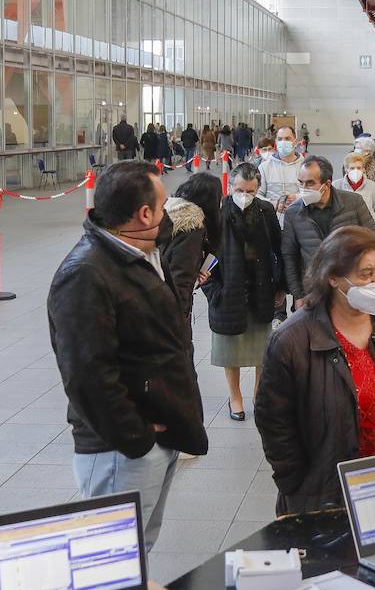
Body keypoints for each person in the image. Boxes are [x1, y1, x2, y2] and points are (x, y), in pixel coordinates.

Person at [47, 160, 207, 551]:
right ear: (144, 214)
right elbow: (87, 375)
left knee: (141, 546)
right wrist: (135, 438)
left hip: (160, 432)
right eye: (164, 205)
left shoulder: (141, 250)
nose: (170, 213)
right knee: (112, 558)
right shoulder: (86, 274)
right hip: (121, 450)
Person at [255, 226, 375, 514]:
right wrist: (297, 482)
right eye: (365, 274)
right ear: (333, 277)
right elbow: (274, 421)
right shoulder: (292, 341)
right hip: (329, 496)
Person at [202, 164, 283, 421]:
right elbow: (203, 256)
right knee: (230, 349)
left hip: (260, 287)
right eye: (239, 189)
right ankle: (234, 396)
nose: (244, 195)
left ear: (258, 189)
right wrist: (213, 290)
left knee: (261, 349)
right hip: (227, 288)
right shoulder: (217, 213)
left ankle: (259, 394)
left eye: (250, 190)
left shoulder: (266, 210)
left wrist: (280, 286)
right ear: (230, 186)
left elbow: (278, 249)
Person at [281, 156, 375, 306]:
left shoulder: (353, 203)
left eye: (310, 183)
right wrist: (298, 295)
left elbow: (374, 243)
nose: (304, 188)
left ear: (327, 184)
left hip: (351, 288)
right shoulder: (294, 213)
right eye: (301, 182)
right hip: (313, 291)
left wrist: (369, 279)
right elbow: (289, 255)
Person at [160, 172, 222, 325]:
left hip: (155, 298)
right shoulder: (192, 228)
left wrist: (196, 277)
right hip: (170, 314)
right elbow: (181, 278)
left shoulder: (168, 211)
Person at [334, 151, 375, 238]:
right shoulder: (336, 186)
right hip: (343, 236)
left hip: (368, 235)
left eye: (359, 168)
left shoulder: (372, 186)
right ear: (346, 169)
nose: (356, 171)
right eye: (352, 168)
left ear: (363, 169)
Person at [258, 125, 303, 217]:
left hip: (299, 216)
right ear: (276, 142)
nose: (283, 142)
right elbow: (256, 195)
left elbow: (312, 192)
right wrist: (273, 204)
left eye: (287, 138)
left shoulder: (305, 166)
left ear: (294, 141)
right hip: (272, 218)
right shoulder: (264, 167)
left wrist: (297, 198)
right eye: (280, 139)